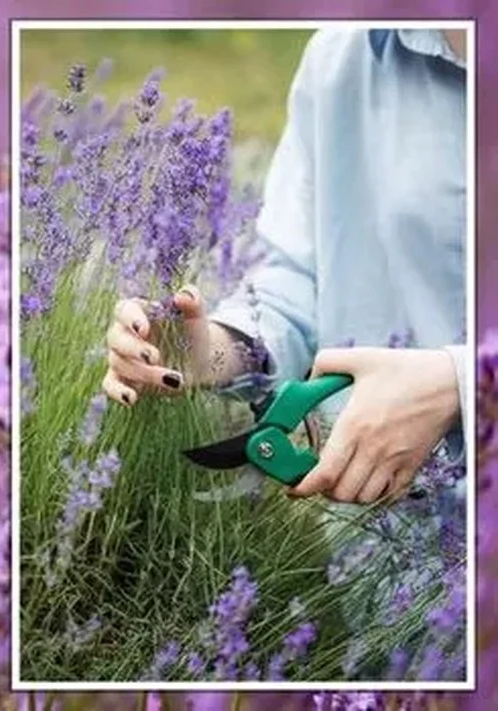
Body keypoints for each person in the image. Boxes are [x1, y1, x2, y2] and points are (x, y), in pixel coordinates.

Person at [103, 28, 469, 505]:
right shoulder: (343, 56)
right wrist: (208, 350)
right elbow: (296, 278)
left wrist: (460, 383)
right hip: (383, 556)